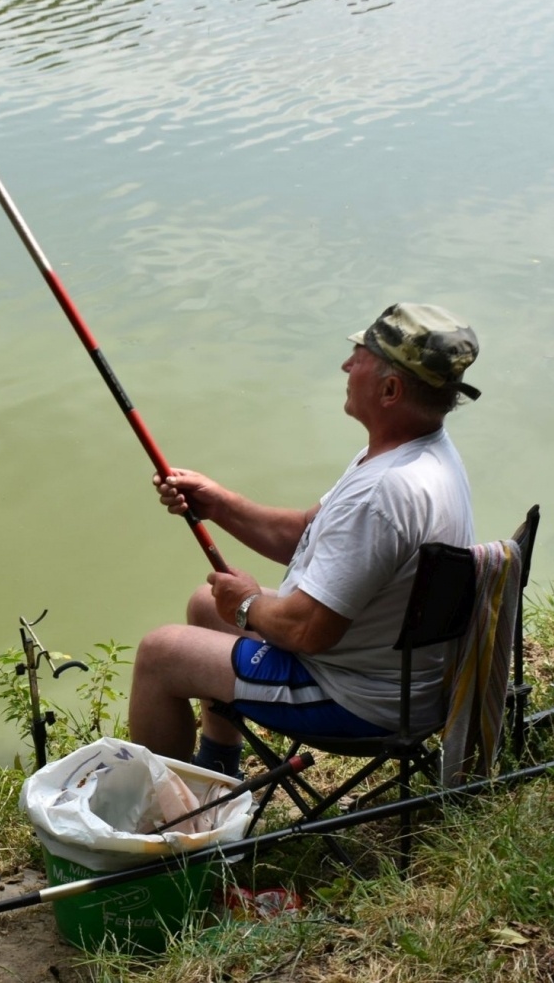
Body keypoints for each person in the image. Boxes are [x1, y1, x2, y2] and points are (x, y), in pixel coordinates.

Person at [127, 303, 483, 776]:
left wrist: (249, 604)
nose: (346, 365)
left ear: (390, 389)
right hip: (397, 675)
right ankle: (217, 768)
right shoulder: (415, 453)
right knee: (205, 605)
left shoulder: (384, 493)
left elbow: (306, 631)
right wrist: (220, 503)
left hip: (357, 698)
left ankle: (168, 825)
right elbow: (305, 534)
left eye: (360, 357)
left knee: (160, 654)